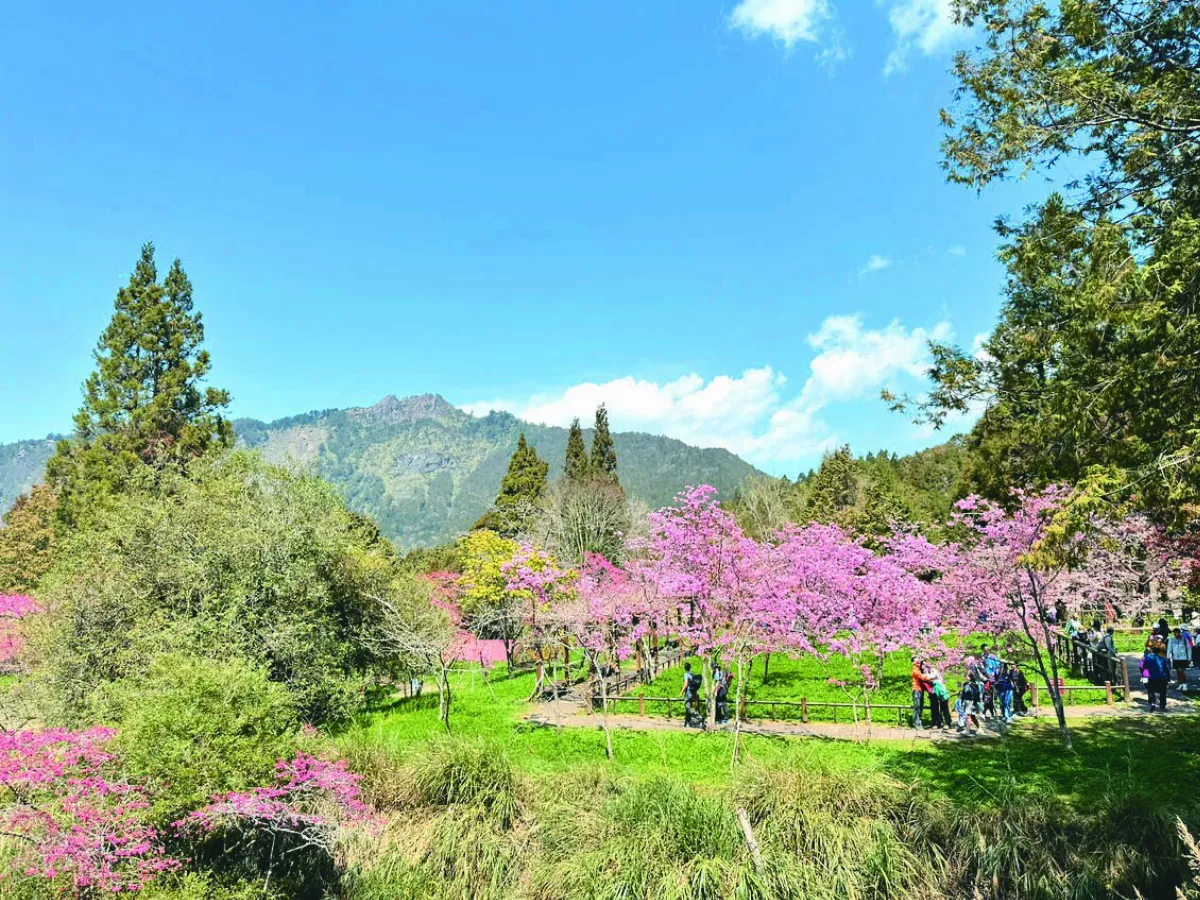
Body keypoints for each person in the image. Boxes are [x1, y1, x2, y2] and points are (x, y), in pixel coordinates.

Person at [1142, 644, 1170, 712]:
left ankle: (1152, 703)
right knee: (1163, 692)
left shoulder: (1148, 657)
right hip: (1161, 677)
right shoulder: (1162, 658)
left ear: (1152, 650)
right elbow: (1166, 669)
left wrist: (1145, 677)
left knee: (1151, 691)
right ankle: (1162, 705)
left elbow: (1145, 667)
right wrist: (1168, 677)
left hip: (1151, 677)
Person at [680, 662, 704, 728]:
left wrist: (681, 693)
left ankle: (699, 717)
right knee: (688, 707)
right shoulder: (692, 674)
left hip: (688, 693)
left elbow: (685, 684)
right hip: (693, 693)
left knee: (687, 707)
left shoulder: (686, 675)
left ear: (685, 668)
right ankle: (687, 723)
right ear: (690, 667)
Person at [911, 659, 932, 729]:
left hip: (920, 690)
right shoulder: (915, 670)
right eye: (917, 662)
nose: (918, 663)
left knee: (920, 706)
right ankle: (916, 723)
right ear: (913, 662)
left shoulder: (919, 669)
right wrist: (932, 677)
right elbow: (922, 677)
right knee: (917, 707)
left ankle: (918, 722)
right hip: (916, 690)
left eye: (919, 662)